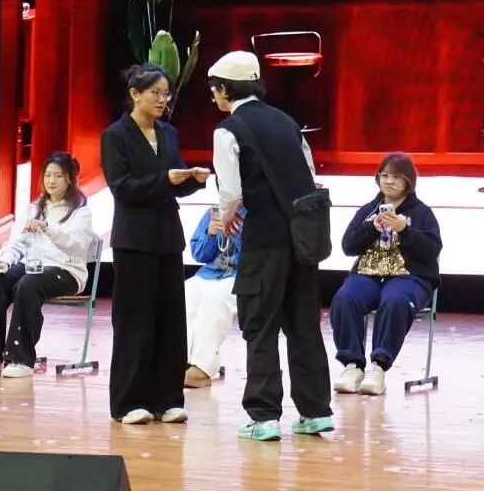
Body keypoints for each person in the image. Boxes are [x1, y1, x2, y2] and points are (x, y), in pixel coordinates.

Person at [209, 50, 333, 442]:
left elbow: (230, 191)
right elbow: (309, 173)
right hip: (302, 239)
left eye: (214, 88)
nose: (213, 95)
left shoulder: (228, 129)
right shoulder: (287, 121)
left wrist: (226, 217)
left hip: (263, 240)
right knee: (303, 325)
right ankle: (315, 412)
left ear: (225, 88)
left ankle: (263, 417)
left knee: (259, 325)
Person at [101, 64, 209, 424]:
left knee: (171, 321)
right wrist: (165, 179)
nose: (163, 100)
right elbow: (122, 188)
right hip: (134, 240)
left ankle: (168, 399)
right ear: (135, 94)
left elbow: (174, 180)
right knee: (135, 322)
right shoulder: (115, 135)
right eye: (156, 93)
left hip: (167, 237)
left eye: (166, 94)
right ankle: (129, 402)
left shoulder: (168, 133)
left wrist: (193, 179)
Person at [0, 152, 94, 378]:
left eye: (58, 176)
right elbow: (17, 242)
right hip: (33, 266)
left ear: (69, 179)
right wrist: (4, 261)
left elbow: (76, 244)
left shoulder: (80, 211)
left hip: (66, 271)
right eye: (48, 175)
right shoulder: (34, 207)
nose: (51, 181)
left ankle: (20, 359)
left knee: (28, 284)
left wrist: (47, 228)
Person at [330, 153, 441, 396]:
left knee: (395, 301)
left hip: (409, 276)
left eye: (396, 177)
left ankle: (378, 367)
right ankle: (352, 365)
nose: (389, 181)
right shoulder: (368, 211)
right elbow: (348, 246)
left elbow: (432, 250)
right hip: (368, 273)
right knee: (345, 298)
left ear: (408, 181)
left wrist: (405, 230)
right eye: (384, 175)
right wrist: (371, 228)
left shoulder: (422, 213)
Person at [184, 205, 245, 388]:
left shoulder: (257, 212)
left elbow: (257, 254)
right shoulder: (213, 213)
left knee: (216, 295)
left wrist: (234, 230)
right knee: (187, 290)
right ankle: (183, 360)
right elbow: (198, 254)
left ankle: (202, 366)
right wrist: (210, 234)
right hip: (211, 272)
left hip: (242, 275)